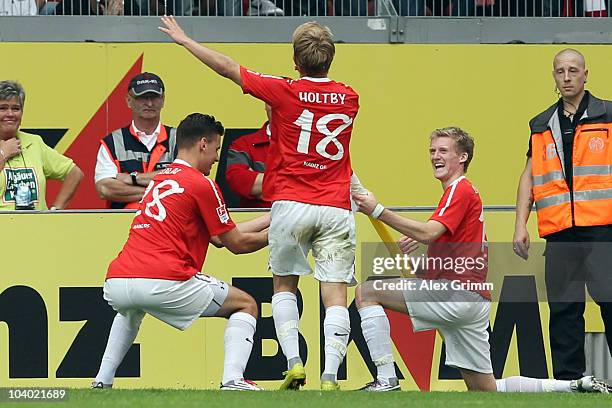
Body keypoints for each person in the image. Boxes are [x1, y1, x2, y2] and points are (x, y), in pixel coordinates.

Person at [160, 17, 359, 390]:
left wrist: (187, 42)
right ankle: (330, 377)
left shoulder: (284, 90)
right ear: (330, 58)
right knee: (334, 294)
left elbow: (229, 68)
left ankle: (295, 364)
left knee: (284, 286)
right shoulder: (350, 98)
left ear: (296, 61)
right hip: (335, 205)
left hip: (292, 202)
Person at [352, 126, 611, 393]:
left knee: (366, 292)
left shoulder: (458, 190)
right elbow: (443, 252)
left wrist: (378, 210)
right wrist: (422, 262)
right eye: (432, 150)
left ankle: (386, 379)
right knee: (486, 390)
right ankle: (574, 386)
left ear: (462, 158)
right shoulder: (462, 195)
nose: (434, 156)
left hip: (455, 296)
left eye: (443, 150)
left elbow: (429, 232)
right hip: (474, 301)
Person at [92, 113, 270, 391]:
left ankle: (102, 381)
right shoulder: (201, 183)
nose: (215, 158)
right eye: (216, 149)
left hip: (118, 280)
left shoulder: (160, 179)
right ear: (202, 143)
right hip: (164, 280)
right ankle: (233, 380)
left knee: (130, 311)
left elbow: (222, 235)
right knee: (246, 304)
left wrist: (274, 217)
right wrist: (283, 232)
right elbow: (235, 244)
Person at [513, 49, 612, 381]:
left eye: (573, 70)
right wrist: (520, 225)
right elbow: (529, 175)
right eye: (560, 71)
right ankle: (570, 382)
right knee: (564, 309)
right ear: (554, 77)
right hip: (559, 233)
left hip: (602, 229)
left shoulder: (608, 114)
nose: (567, 76)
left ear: (586, 74)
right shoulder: (541, 124)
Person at [95, 72, 177, 209]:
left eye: (155, 97)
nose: (149, 103)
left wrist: (132, 178)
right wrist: (157, 191)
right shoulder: (113, 142)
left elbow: (185, 181)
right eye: (142, 97)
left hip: (170, 224)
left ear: (163, 100)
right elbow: (105, 188)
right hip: (123, 225)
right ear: (128, 100)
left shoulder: (180, 138)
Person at [0, 80, 83, 211]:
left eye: (15, 108)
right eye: (3, 108)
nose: (10, 114)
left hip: (36, 228)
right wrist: (3, 154)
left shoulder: (34, 142)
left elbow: (74, 173)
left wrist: (56, 209)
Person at [225, 104, 272, 208]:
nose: (276, 103)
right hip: (260, 222)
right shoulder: (242, 144)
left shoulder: (310, 143)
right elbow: (238, 181)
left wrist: (259, 181)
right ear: (265, 105)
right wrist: (297, 183)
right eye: (271, 99)